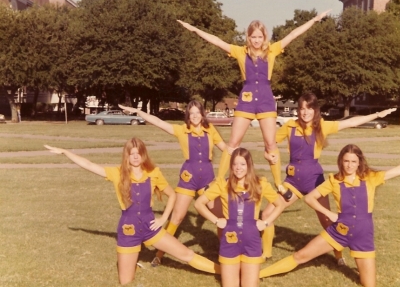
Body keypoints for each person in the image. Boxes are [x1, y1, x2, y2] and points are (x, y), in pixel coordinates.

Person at [177, 10, 331, 196]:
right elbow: (217, 41)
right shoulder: (240, 52)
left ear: (264, 37)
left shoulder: (272, 50)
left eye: (259, 36)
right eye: (253, 36)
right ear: (248, 37)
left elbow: (293, 34)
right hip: (246, 101)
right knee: (233, 142)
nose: (257, 40)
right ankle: (219, 182)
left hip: (266, 100)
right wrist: (194, 29)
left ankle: (278, 184)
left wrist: (314, 20)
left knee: (270, 144)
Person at [44, 138, 220, 285]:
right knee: (125, 281)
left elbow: (172, 195)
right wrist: (65, 152)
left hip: (151, 227)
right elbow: (88, 165)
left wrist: (163, 219)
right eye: (131, 153)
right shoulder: (117, 173)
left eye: (138, 153)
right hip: (128, 230)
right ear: (126, 156)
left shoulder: (153, 173)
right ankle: (133, 263)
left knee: (187, 254)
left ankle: (225, 271)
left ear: (143, 155)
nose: (135, 157)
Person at [259, 144, 400, 286]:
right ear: (341, 162)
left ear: (359, 162)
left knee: (368, 284)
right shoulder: (334, 181)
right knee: (301, 256)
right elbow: (310, 198)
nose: (349, 165)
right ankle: (256, 276)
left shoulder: (370, 177)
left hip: (363, 236)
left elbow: (398, 170)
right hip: (339, 231)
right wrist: (329, 213)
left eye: (353, 161)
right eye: (346, 161)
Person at [261, 92, 397, 263]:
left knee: (326, 220)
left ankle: (338, 255)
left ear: (315, 110)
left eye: (309, 108)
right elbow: (270, 144)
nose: (305, 112)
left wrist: (377, 114)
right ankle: (265, 254)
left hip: (314, 181)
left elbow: (350, 122)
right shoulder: (289, 126)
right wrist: (268, 154)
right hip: (293, 181)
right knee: (267, 213)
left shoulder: (322, 126)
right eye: (302, 108)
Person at [119, 101, 226, 267]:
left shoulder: (210, 130)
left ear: (203, 114)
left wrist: (236, 161)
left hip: (208, 179)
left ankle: (226, 252)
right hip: (188, 178)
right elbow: (158, 122)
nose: (195, 116)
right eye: (192, 113)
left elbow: (226, 149)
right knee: (177, 217)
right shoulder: (181, 130)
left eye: (198, 112)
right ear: (188, 116)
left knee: (221, 216)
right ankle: (159, 254)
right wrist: (137, 111)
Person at [195, 148, 285, 287]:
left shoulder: (260, 184)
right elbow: (199, 203)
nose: (238, 168)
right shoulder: (222, 184)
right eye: (235, 164)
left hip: (252, 242)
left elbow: (279, 204)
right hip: (229, 242)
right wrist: (216, 220)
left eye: (242, 164)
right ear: (231, 166)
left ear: (249, 165)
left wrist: (266, 222)